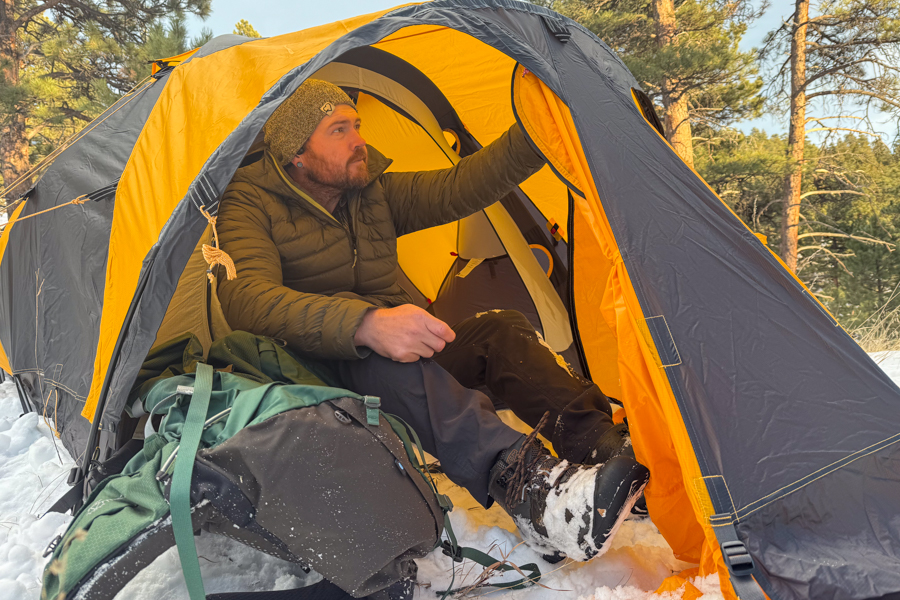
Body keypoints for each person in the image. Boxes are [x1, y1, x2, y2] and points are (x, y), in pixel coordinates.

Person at [216, 79, 649, 562]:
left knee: (499, 331)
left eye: (356, 124)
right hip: (313, 370)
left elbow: (461, 187)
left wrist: (539, 133)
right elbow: (245, 298)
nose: (360, 139)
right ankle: (535, 497)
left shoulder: (369, 193)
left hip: (385, 353)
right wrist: (365, 324)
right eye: (339, 130)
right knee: (384, 357)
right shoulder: (248, 202)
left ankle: (605, 451)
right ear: (296, 152)